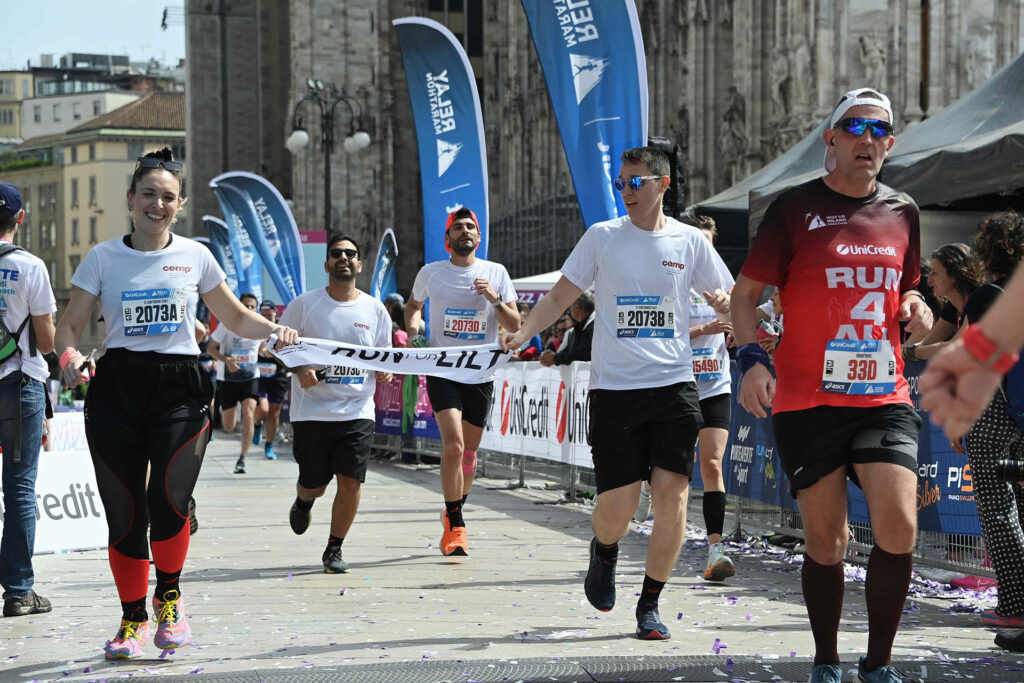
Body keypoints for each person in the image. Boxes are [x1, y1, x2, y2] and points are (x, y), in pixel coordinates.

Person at [54, 148, 297, 659]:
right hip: (118, 387)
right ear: (130, 199)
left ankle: (169, 597)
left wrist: (275, 332)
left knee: (168, 500)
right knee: (124, 513)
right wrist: (70, 356)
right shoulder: (103, 258)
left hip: (180, 387)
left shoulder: (196, 256)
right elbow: (69, 325)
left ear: (180, 204)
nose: (157, 205)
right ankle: (131, 619)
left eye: (168, 197)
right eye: (148, 194)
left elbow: (235, 317)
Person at [730, 89, 933, 683]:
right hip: (807, 399)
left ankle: (879, 664)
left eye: (880, 130)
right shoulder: (794, 208)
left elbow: (908, 285)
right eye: (855, 127)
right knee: (827, 540)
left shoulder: (904, 211)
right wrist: (751, 360)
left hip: (883, 396)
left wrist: (916, 305)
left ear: (890, 144)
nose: (868, 139)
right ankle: (826, 659)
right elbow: (746, 296)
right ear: (833, 139)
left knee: (899, 526)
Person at [502, 146, 733, 641]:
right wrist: (524, 333)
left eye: (636, 182)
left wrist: (725, 303)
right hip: (615, 390)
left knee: (673, 496)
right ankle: (604, 550)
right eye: (621, 183)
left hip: (674, 385)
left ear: (663, 185)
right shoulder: (602, 237)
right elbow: (561, 295)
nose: (627, 191)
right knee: (617, 510)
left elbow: (732, 300)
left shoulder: (690, 241)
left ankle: (649, 604)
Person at [405, 207, 520, 556]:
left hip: (480, 373)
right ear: (448, 238)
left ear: (479, 237)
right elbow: (413, 306)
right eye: (458, 228)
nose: (465, 231)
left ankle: (453, 507)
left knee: (469, 455)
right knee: (453, 447)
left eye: (471, 227)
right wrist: (414, 331)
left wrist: (494, 299)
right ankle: (456, 524)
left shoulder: (496, 273)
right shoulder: (431, 272)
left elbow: (515, 324)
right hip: (443, 369)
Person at [280, 234, 392, 573]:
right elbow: (279, 347)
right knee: (314, 484)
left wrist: (385, 372)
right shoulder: (304, 305)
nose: (343, 257)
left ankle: (334, 548)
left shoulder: (375, 309)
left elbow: (385, 356)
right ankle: (304, 501)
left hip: (357, 410)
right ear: (327, 263)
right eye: (336, 253)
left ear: (360, 264)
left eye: (350, 253)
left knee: (350, 481)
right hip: (312, 411)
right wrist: (300, 369)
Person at [950, 211, 1024, 632]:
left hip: (994, 412)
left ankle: (1015, 604)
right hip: (1021, 411)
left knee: (997, 511)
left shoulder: (986, 297)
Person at [0, 182, 56, 618]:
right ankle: (18, 592)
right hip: (19, 384)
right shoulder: (31, 266)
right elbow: (47, 340)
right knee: (19, 488)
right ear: (20, 218)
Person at [686, 216, 737, 581]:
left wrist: (735, 328)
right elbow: (659, 333)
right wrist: (705, 328)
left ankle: (716, 549)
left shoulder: (723, 281)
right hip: (676, 385)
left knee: (713, 465)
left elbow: (743, 318)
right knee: (671, 471)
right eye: (698, 242)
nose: (705, 250)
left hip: (715, 382)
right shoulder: (672, 278)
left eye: (709, 243)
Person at [921, 258, 1024, 438]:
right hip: (1011, 402)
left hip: (996, 404)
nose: (930, 279)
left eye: (935, 272)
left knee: (990, 458)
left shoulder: (983, 296)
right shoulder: (960, 305)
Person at [207, 293, 264, 473]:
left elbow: (263, 349)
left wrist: (269, 353)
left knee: (248, 414)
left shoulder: (261, 327)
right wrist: (226, 360)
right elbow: (210, 348)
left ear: (256, 309)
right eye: (245, 306)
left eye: (252, 306)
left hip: (250, 377)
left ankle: (242, 459)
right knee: (229, 425)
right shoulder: (227, 324)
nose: (249, 309)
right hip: (228, 379)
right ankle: (228, 418)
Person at [902, 243, 983, 360]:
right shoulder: (952, 305)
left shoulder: (978, 299)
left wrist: (909, 353)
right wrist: (904, 352)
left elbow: (956, 347)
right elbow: (926, 343)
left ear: (955, 274)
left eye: (935, 273)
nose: (929, 280)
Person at [254, 299, 289, 461]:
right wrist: (263, 351)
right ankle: (257, 424)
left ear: (275, 313)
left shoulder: (282, 329)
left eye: (269, 315)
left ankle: (269, 444)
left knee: (274, 413)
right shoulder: (255, 328)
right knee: (263, 409)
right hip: (260, 375)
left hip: (278, 375)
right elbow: (260, 350)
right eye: (264, 315)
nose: (267, 318)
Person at [539, 291, 594, 367]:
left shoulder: (594, 327)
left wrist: (555, 358)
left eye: (570, 306)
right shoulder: (577, 329)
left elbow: (582, 354)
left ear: (577, 307)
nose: (569, 311)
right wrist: (551, 357)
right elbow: (571, 351)